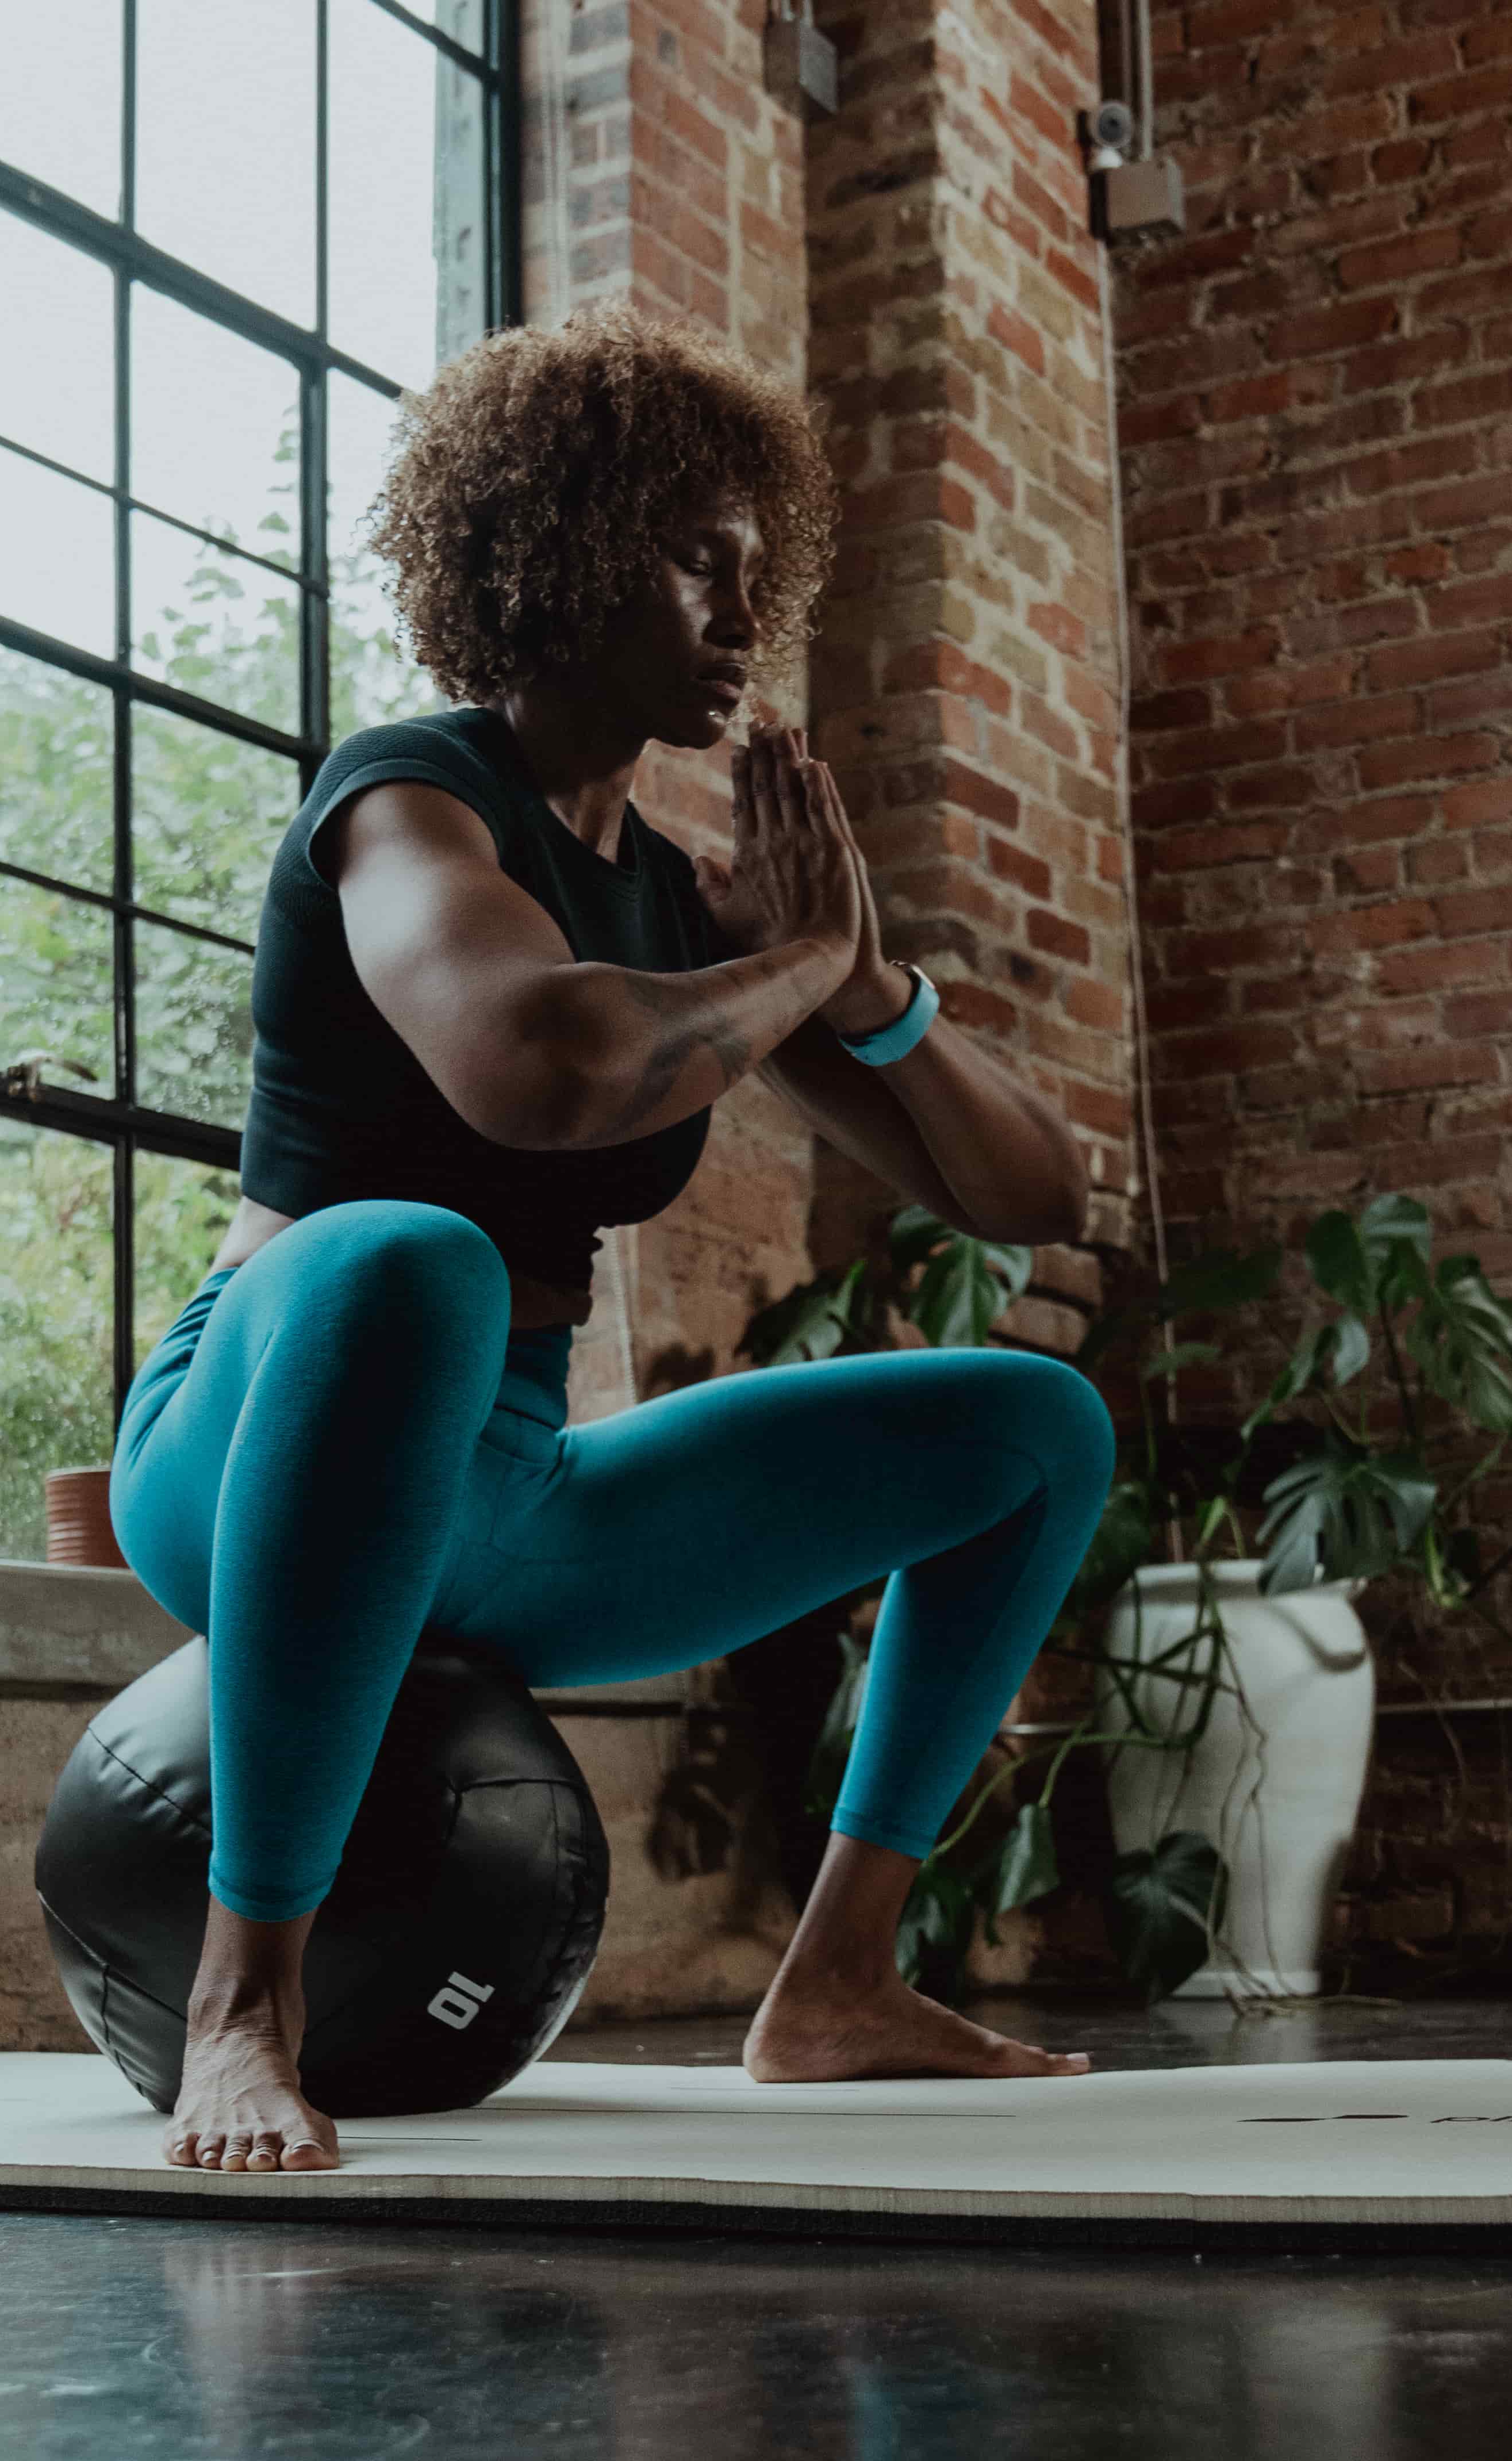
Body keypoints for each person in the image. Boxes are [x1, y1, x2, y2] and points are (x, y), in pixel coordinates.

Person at [107, 305, 1120, 2174]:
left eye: (761, 572)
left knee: (1036, 1429)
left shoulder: (682, 902)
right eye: (695, 562)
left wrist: (870, 985)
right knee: (414, 1256)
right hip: (250, 1445)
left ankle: (836, 1985)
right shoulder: (407, 795)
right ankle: (240, 2006)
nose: (745, 615)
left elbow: (1032, 1197)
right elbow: (537, 1072)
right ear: (557, 556)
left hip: (507, 1504)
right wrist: (796, 961)